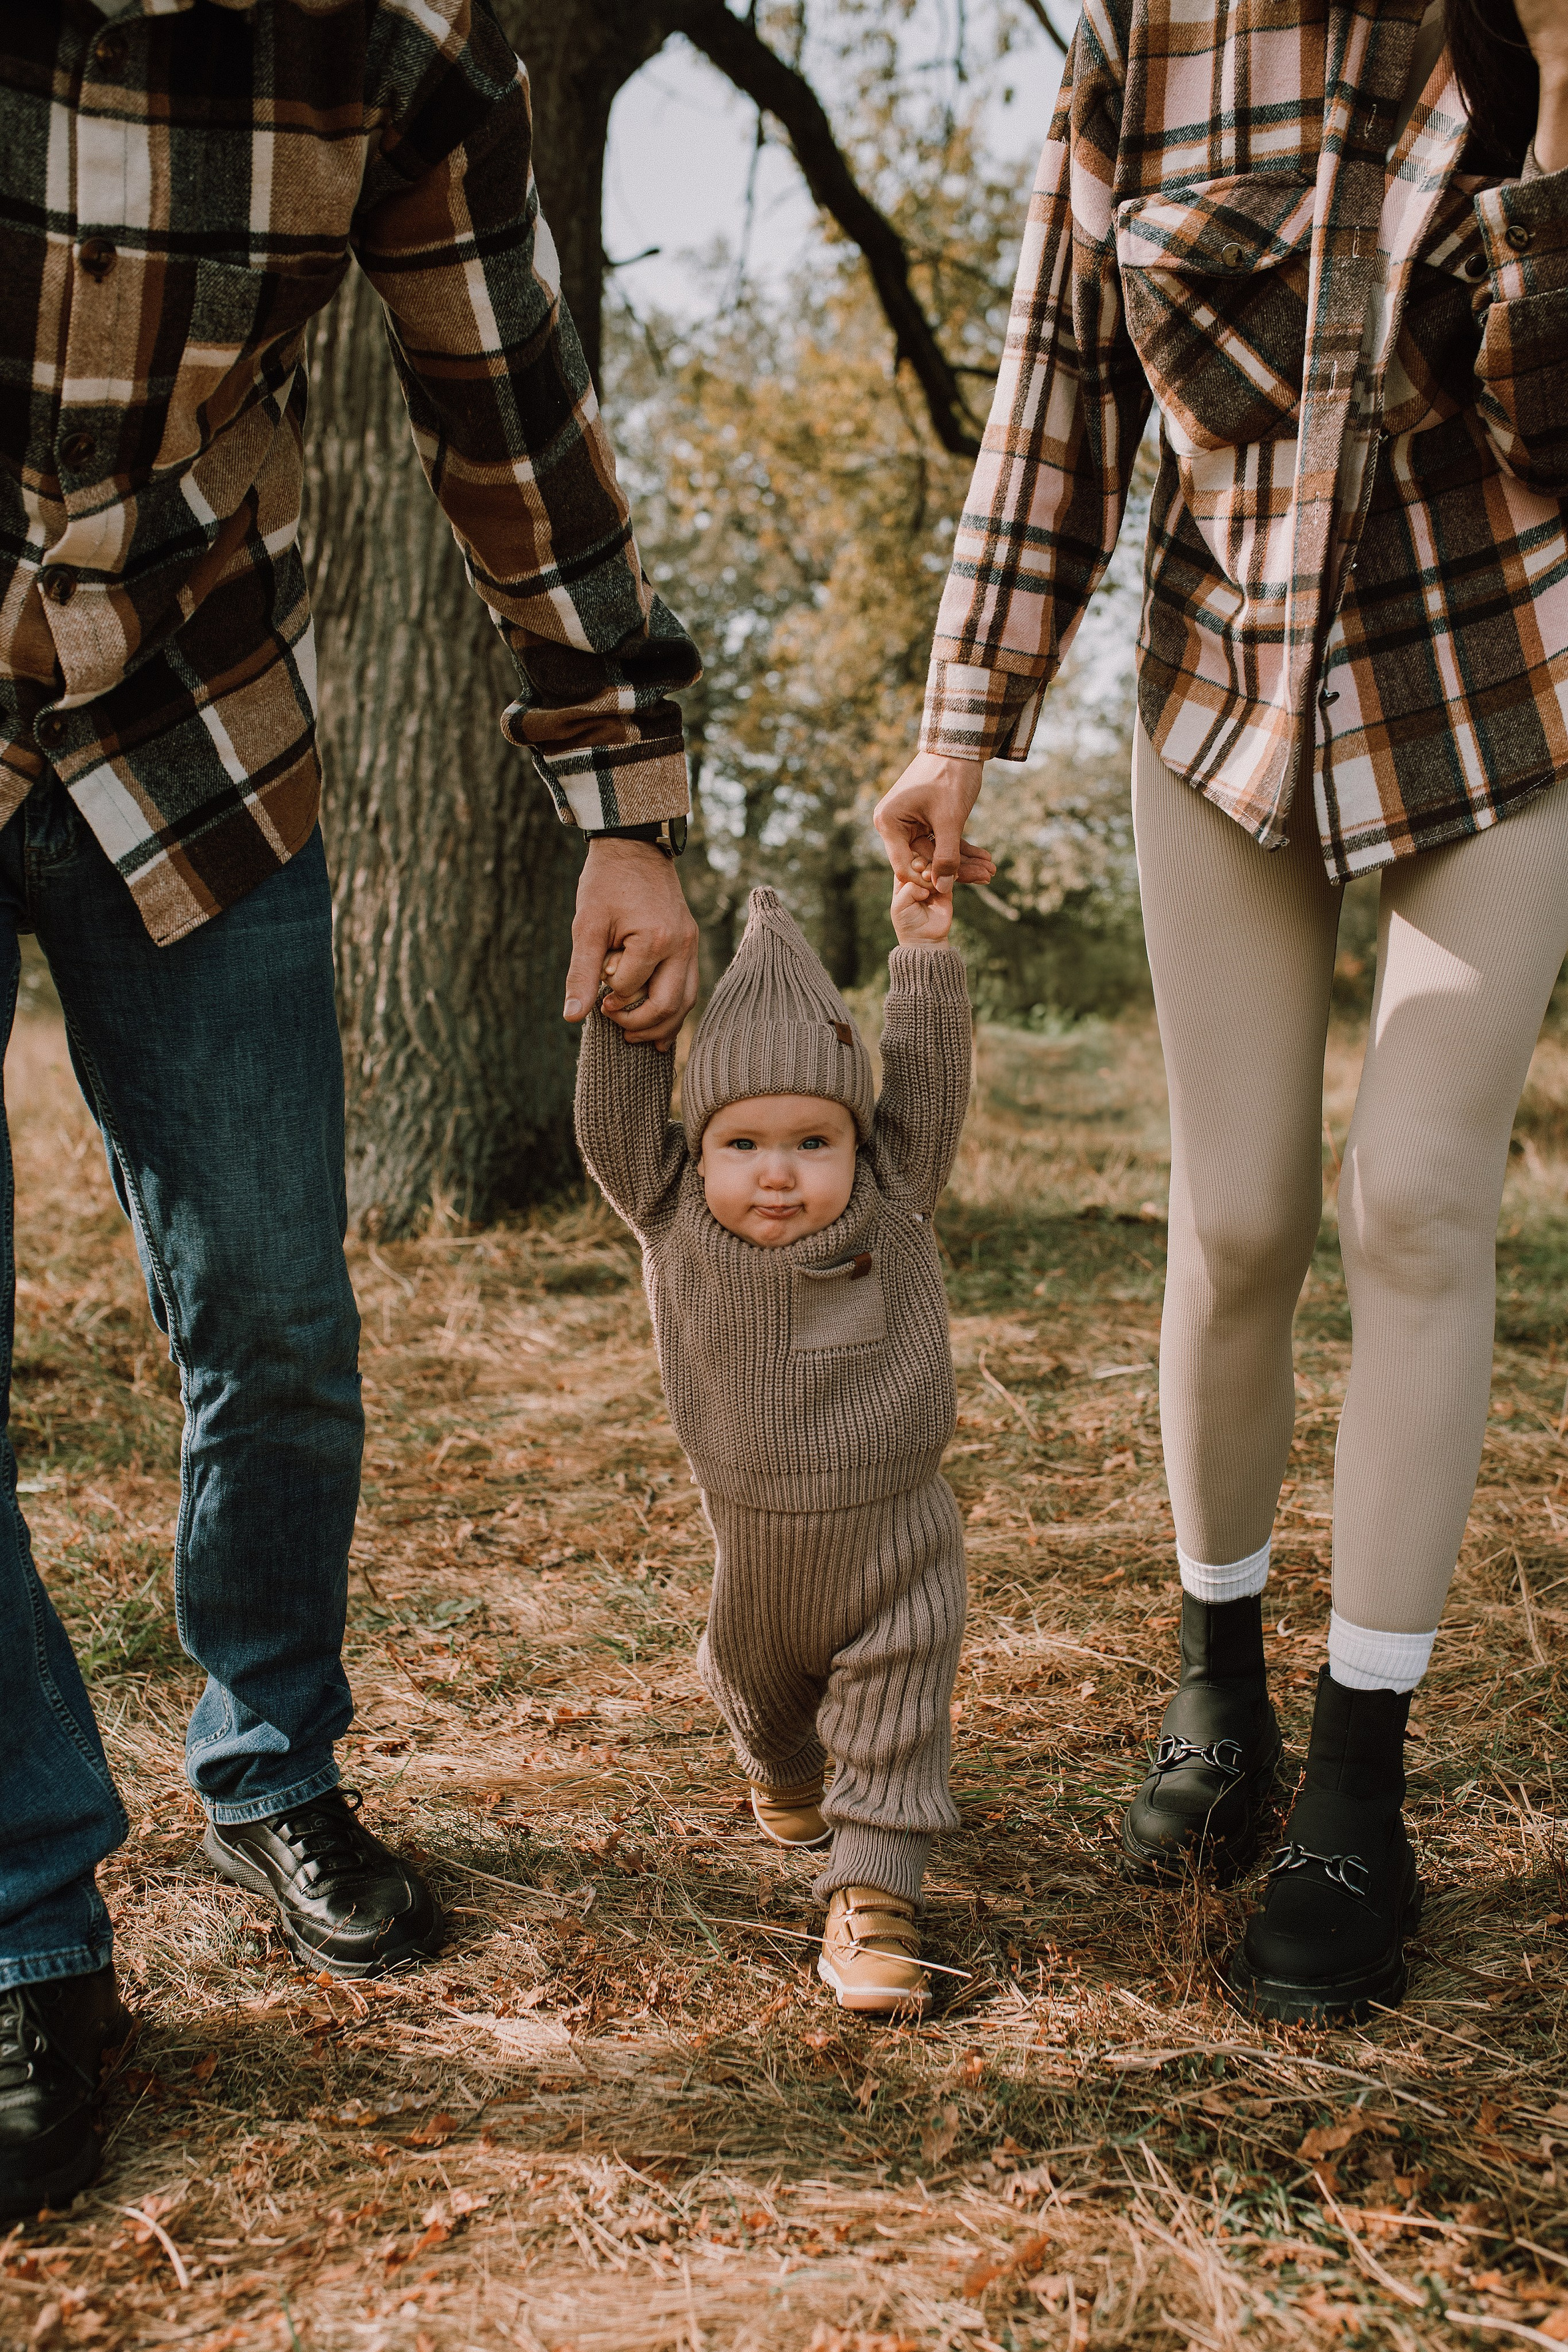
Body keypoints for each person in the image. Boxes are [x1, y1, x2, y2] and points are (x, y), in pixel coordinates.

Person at [0, 0, 701, 2214]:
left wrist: (626, 797)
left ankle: (274, 1758)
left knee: (279, 1316)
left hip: (196, 728)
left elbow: (515, 423)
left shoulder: (395, 61)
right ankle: (27, 1923)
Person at [877, 0, 1568, 2024]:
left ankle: (1365, 1774)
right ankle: (1219, 1686)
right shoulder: (1145, 48)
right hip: (1223, 709)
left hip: (1508, 691)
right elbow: (1054, 409)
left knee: (1420, 1205)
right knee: (1243, 1217)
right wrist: (962, 727)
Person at [575, 882, 975, 2014]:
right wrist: (625, 1001)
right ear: (697, 1154)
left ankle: (873, 1896)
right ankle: (787, 1772)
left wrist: (925, 956)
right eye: (742, 1143)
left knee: (895, 1712)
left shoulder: (891, 1201)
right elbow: (614, 1122)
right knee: (756, 1692)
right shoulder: (671, 1215)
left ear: (861, 1141)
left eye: (814, 1140)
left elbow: (931, 1088)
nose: (779, 1173)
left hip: (896, 1534)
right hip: (751, 1550)